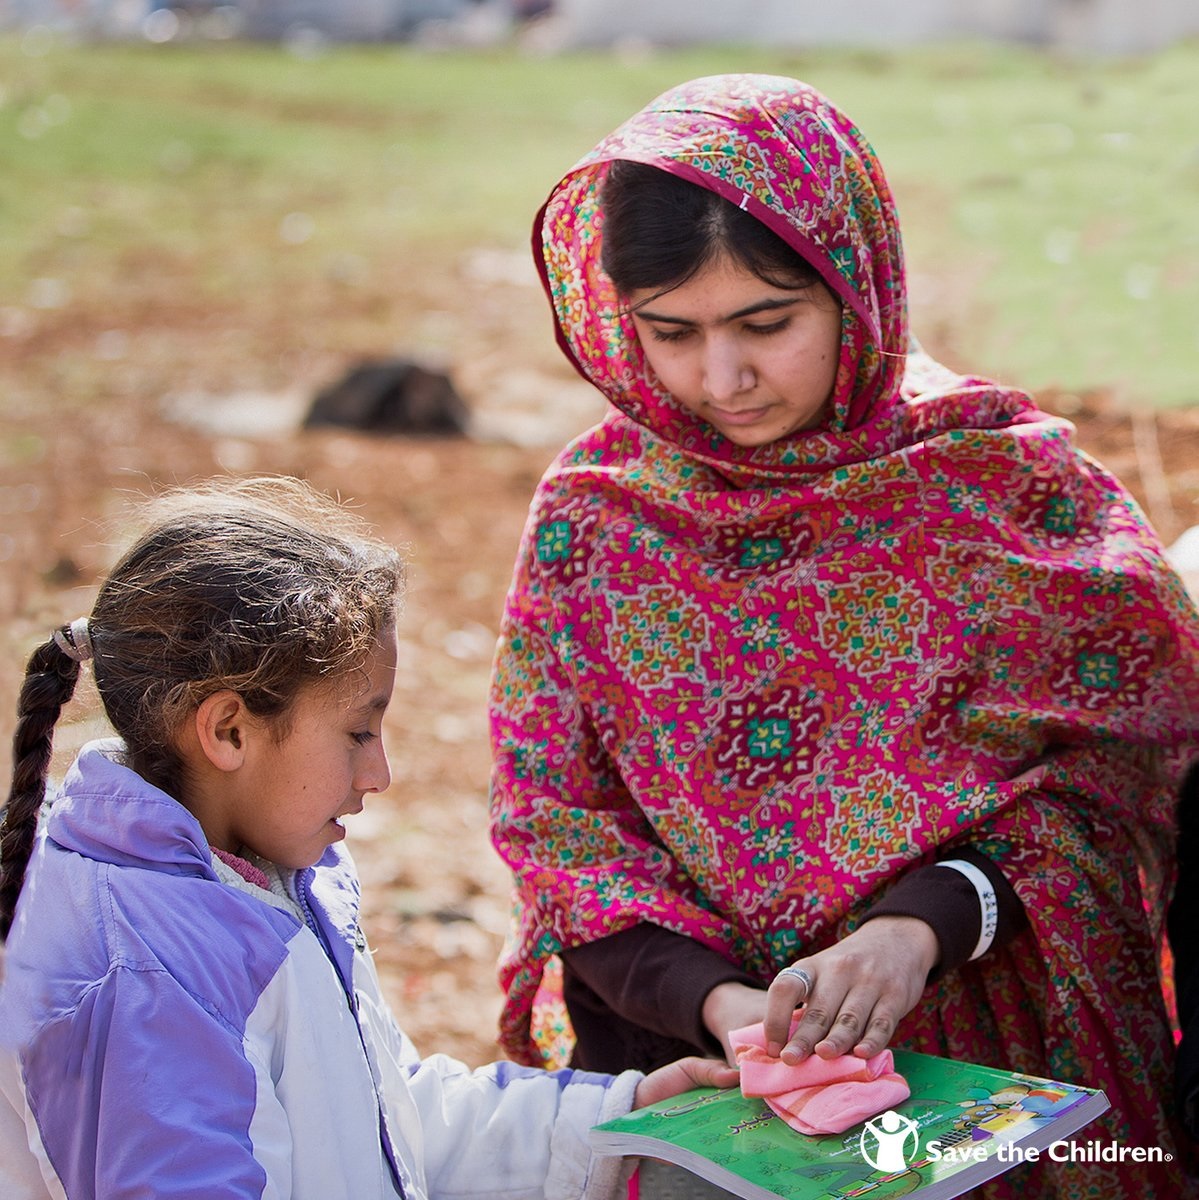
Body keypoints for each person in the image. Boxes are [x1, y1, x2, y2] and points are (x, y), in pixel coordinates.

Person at [486, 74, 1199, 1199]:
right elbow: (557, 824)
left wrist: (922, 928)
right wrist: (723, 1008)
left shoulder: (1000, 488)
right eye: (670, 333)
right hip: (702, 1078)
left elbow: (1123, 769)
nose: (721, 379)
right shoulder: (598, 517)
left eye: (765, 324)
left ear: (854, 289)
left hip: (988, 1055)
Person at [0, 476, 736, 1200]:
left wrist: (612, 1117)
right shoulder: (146, 975)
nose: (380, 773)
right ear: (229, 730)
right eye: (358, 732)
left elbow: (385, 1119)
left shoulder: (267, 875)